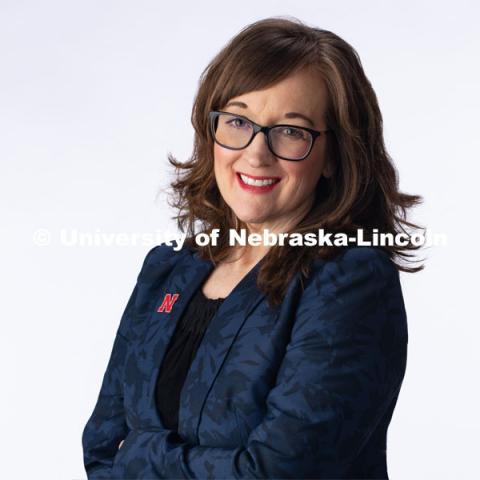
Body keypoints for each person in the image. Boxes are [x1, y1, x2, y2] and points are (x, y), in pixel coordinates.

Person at [82, 16, 423, 479]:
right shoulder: (168, 270)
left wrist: (142, 454)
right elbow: (102, 451)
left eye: (291, 131)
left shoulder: (349, 282)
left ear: (334, 157)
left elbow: (278, 472)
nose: (256, 154)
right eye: (238, 121)